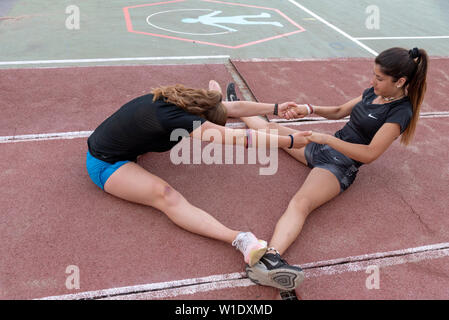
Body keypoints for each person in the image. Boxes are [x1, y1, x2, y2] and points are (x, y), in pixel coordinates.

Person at [239, 47, 428, 291]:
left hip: (339, 165)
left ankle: (271, 259)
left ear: (400, 81)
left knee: (300, 203)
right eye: (374, 75)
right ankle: (227, 109)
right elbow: (340, 111)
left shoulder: (401, 113)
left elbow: (370, 154)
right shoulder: (373, 92)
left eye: (379, 78)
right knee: (270, 130)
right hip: (323, 148)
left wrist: (326, 139)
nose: (373, 81)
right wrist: (308, 109)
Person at [85, 80, 311, 268]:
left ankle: (215, 97)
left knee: (185, 123)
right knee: (166, 195)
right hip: (105, 164)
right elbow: (242, 139)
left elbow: (233, 109)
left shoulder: (188, 100)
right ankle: (239, 239)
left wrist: (275, 108)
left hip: (125, 144)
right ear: (200, 121)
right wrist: (289, 141)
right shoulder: (179, 120)